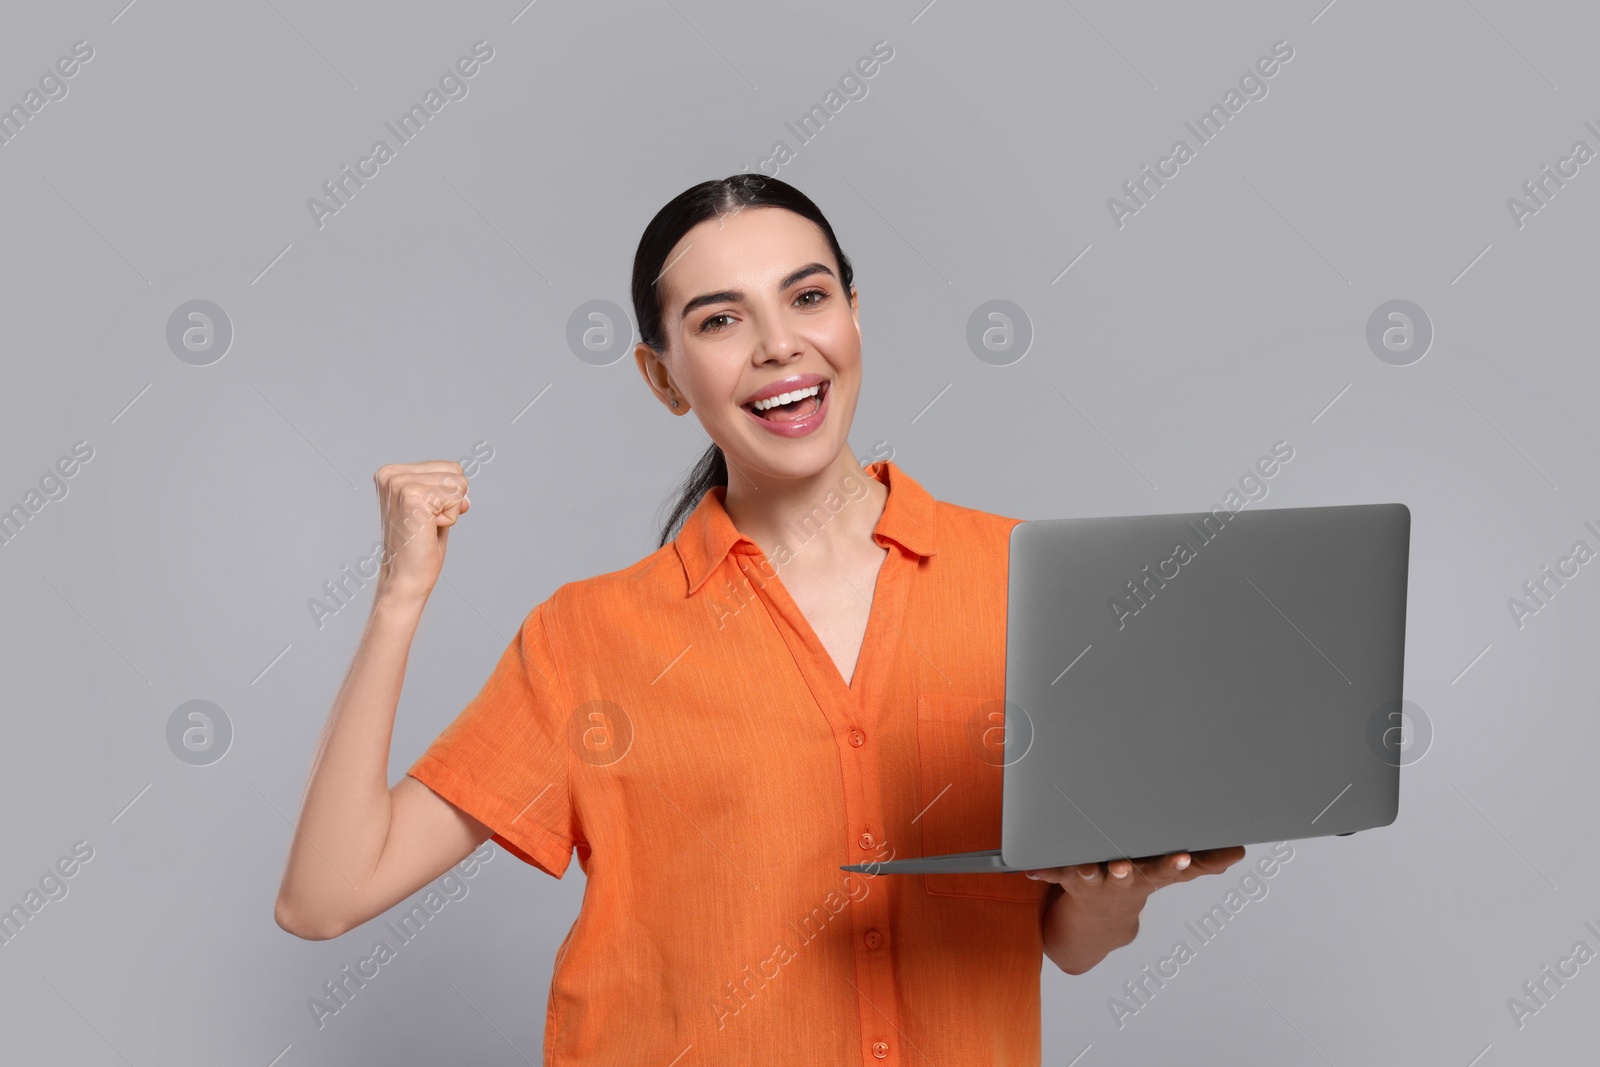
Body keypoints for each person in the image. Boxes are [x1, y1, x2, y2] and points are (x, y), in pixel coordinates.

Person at [272, 174, 1244, 1064]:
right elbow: (323, 895)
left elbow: (1063, 943)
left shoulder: (1029, 581)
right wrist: (398, 595)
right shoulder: (587, 637)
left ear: (855, 319)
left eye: (808, 296)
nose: (779, 341)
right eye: (720, 318)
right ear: (663, 378)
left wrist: (1113, 897)